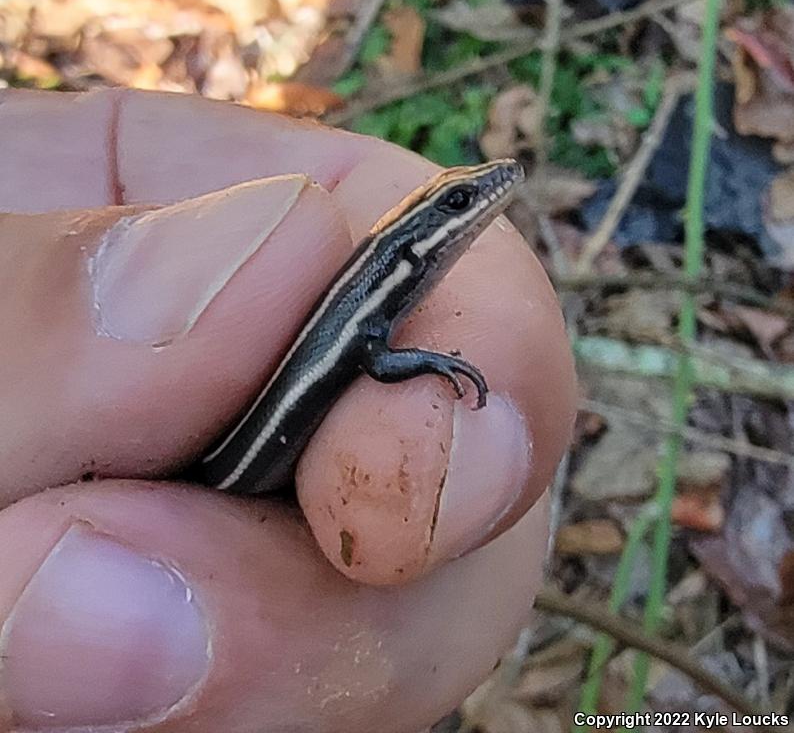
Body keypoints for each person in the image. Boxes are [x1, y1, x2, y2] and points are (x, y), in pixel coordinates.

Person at [0, 88, 577, 733]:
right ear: (416, 242)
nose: (480, 203)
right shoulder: (370, 299)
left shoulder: (373, 292)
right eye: (461, 203)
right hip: (229, 473)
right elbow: (378, 359)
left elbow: (372, 352)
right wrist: (434, 362)